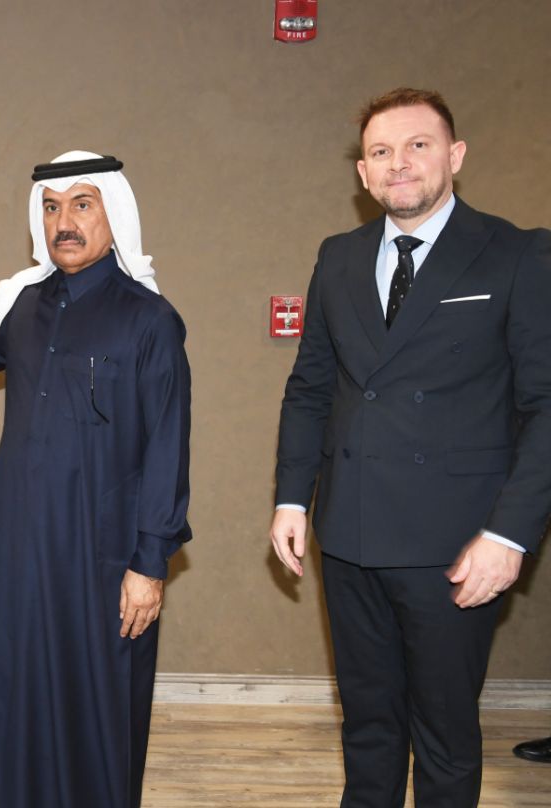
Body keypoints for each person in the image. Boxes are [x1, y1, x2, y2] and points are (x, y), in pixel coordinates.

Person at [0, 150, 191, 808]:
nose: (63, 222)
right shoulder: (24, 305)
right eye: (51, 208)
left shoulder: (150, 320)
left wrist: (150, 563)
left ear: (112, 214)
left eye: (81, 205)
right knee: (5, 679)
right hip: (15, 540)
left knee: (94, 698)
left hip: (102, 555)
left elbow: (167, 446)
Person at [271, 88, 551, 807]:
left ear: (454, 155)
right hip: (350, 533)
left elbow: (545, 407)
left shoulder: (517, 253)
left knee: (445, 736)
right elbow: (310, 388)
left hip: (458, 545)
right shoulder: (337, 257)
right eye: (381, 152)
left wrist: (510, 536)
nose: (399, 163)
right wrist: (292, 498)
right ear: (363, 173)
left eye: (417, 145)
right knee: (367, 727)